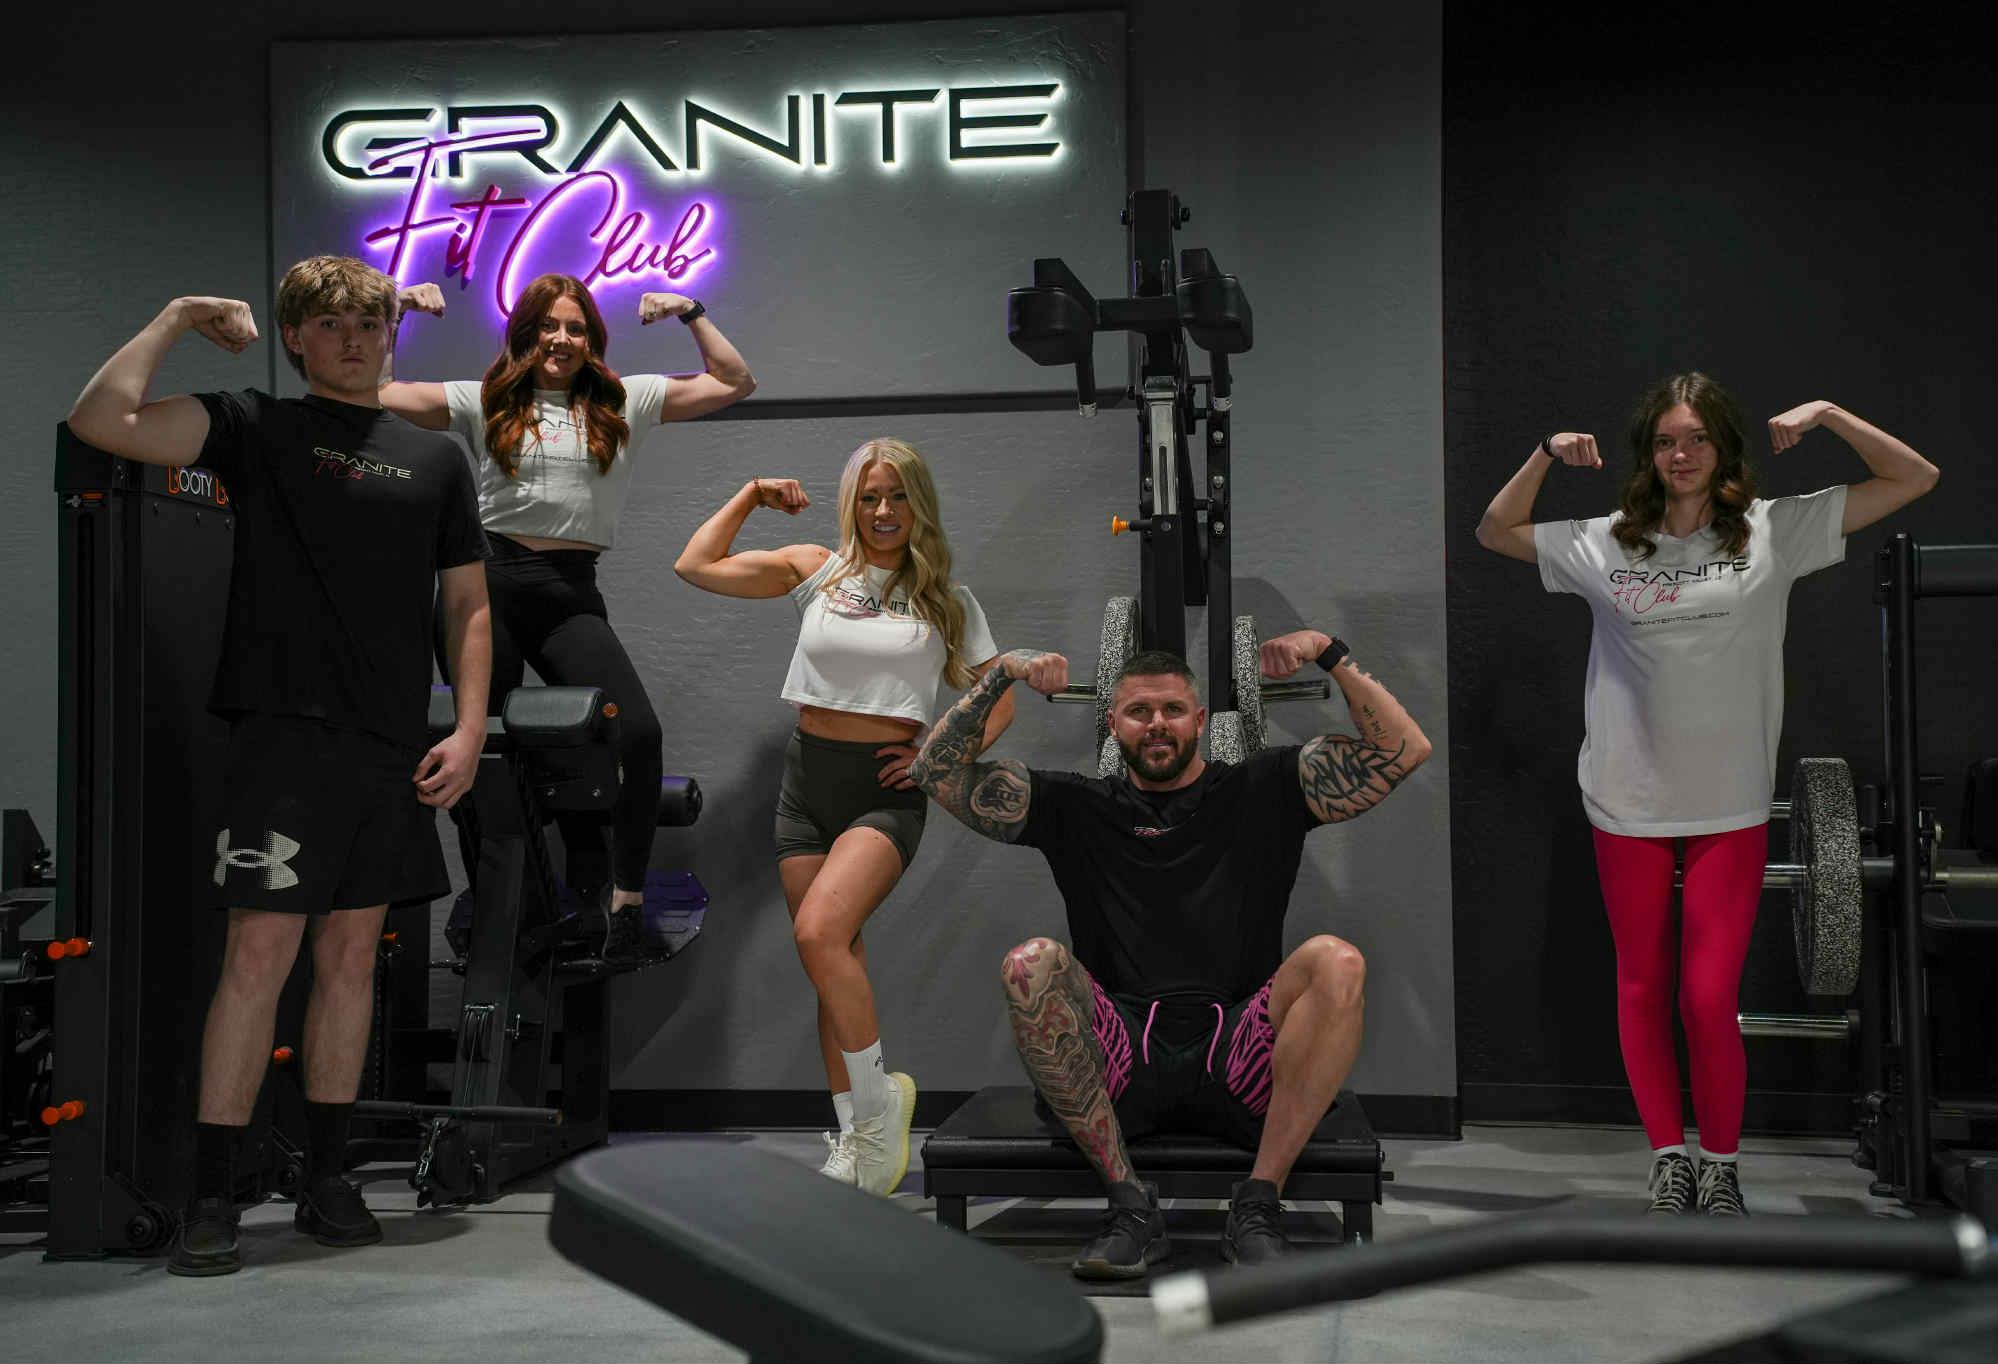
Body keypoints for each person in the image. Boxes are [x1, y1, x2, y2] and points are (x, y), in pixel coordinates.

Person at [64, 256, 493, 1275]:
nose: (354, 339)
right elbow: (101, 420)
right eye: (331, 324)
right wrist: (175, 313)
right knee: (257, 958)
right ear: (296, 337)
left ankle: (328, 1178)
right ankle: (213, 1193)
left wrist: (470, 727)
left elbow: (468, 604)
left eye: (370, 323)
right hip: (282, 738)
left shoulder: (435, 459)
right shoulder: (255, 426)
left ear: (391, 334)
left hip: (390, 744)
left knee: (351, 961)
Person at [1475, 372, 1939, 1216]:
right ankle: (1667, 1158)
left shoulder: (1774, 531)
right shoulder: (1606, 542)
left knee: (1706, 997)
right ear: (1646, 455)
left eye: (1695, 438)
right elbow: (1493, 529)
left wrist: (1829, 413)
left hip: (1728, 804)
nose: (1680, 455)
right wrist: (1543, 453)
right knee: (1642, 991)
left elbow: (1914, 477)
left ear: (1722, 447)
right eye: (1664, 441)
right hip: (1626, 801)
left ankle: (1719, 1164)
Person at [909, 635, 1431, 1279]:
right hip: (1122, 1061)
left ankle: (1257, 1205)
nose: (1157, 723)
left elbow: (1404, 749)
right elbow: (934, 772)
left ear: (1199, 720)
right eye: (1139, 711)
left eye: (1173, 710)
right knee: (1029, 963)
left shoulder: (1267, 787)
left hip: (1239, 1055)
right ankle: (1131, 1207)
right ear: (1112, 724)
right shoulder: (1076, 805)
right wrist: (1002, 674)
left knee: (1337, 960)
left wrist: (1327, 651)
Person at [380, 276, 755, 960]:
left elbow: (734, 381)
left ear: (591, 339)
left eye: (575, 328)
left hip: (569, 593)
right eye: (548, 326)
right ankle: (506, 911)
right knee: (482, 751)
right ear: (525, 335)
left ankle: (623, 903)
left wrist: (689, 311)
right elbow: (379, 395)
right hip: (485, 589)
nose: (561, 339)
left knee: (637, 733)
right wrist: (394, 312)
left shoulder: (624, 400)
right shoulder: (486, 399)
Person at [674, 439, 1011, 1195]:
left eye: (897, 496)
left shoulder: (946, 601)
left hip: (881, 794)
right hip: (805, 785)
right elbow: (695, 564)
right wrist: (751, 495)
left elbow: (999, 701)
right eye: (869, 497)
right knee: (833, 961)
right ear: (851, 505)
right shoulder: (817, 571)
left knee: (819, 933)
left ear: (919, 503)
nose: (883, 511)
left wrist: (936, 754)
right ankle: (858, 1139)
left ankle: (881, 1112)